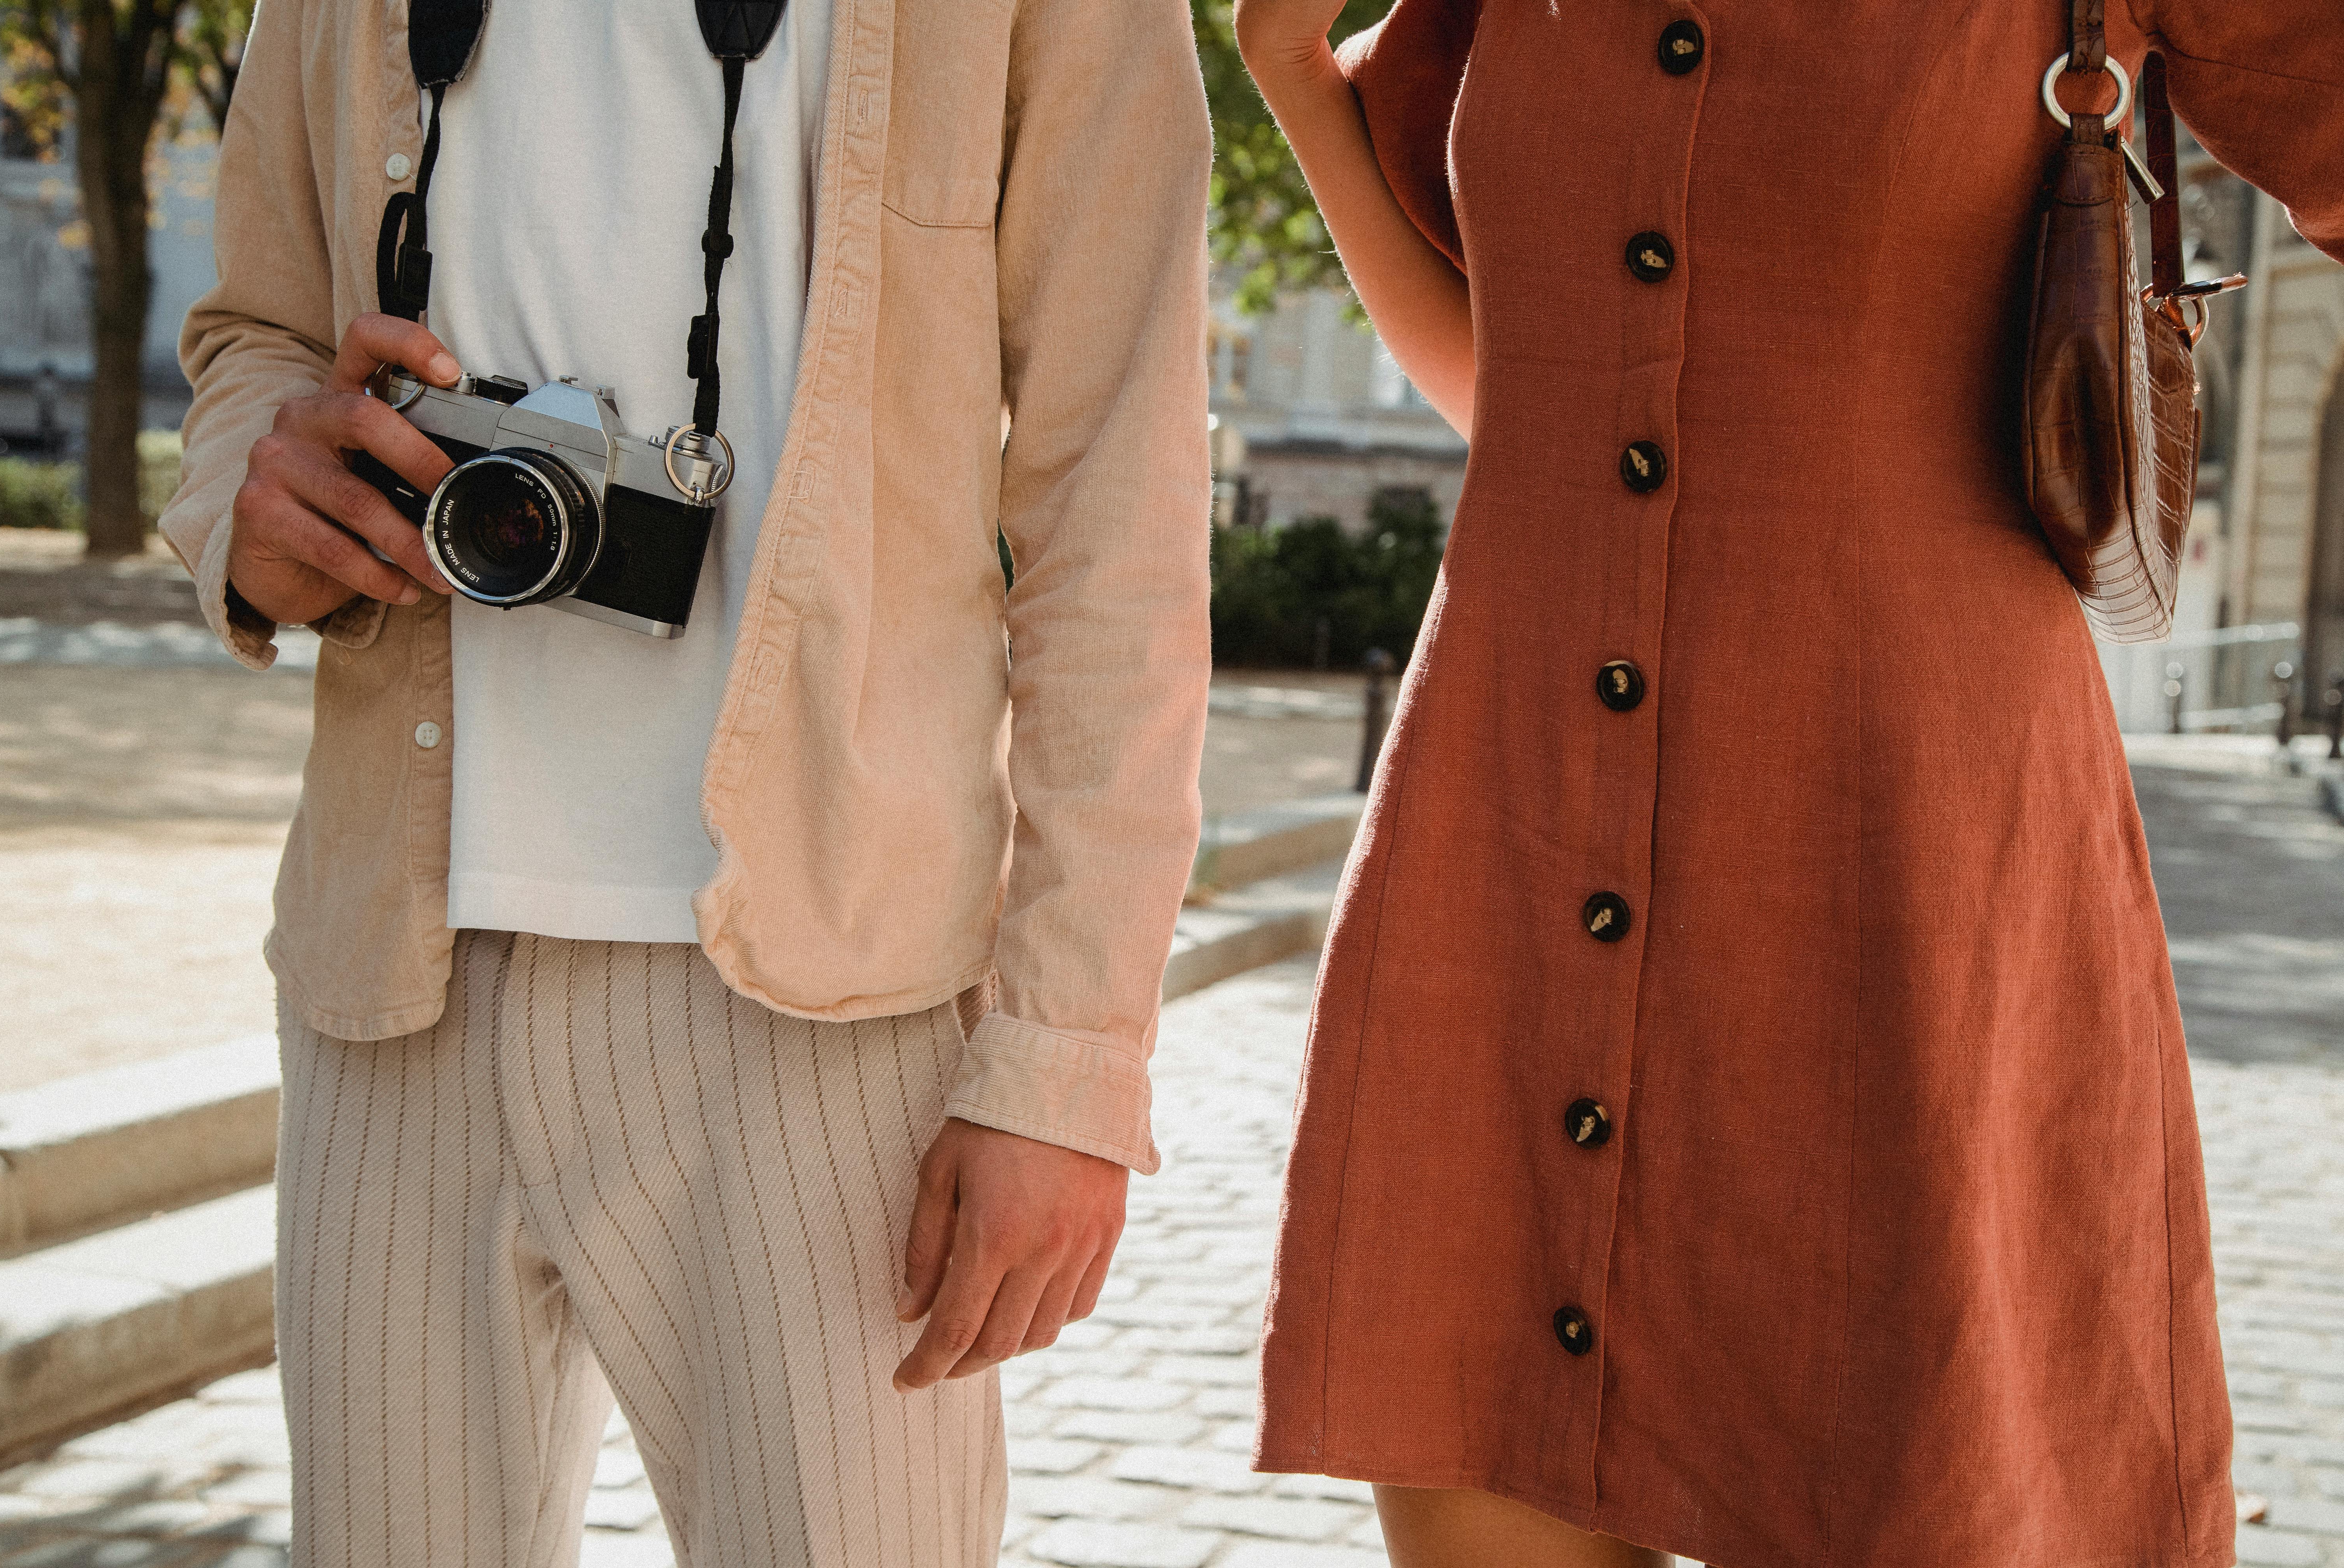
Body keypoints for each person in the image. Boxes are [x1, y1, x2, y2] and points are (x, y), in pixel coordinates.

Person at [1235, 1, 2342, 1565]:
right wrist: (1288, 77)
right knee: (1485, 1458)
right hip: (1514, 847)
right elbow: (1529, 395)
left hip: (1907, 886)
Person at [156, 0, 1212, 1559]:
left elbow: (1118, 502)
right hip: (391, 981)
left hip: (829, 1003)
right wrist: (256, 492)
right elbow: (257, 332)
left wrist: (1069, 1063)